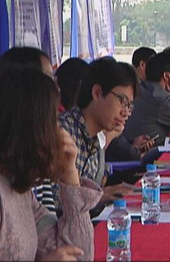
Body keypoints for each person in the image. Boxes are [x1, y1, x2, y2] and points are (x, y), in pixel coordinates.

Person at [0, 67, 102, 260]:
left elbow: (79, 254)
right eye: (52, 121)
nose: (58, 131)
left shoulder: (17, 188)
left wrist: (70, 175)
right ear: (31, 125)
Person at [57, 57, 143, 213]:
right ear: (97, 93)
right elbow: (55, 203)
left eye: (129, 106)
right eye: (122, 102)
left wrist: (101, 194)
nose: (126, 113)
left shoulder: (96, 139)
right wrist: (98, 196)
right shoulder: (63, 133)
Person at [0, 47, 57, 214]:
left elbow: (50, 224)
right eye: (48, 79)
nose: (56, 90)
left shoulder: (33, 157)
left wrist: (72, 177)